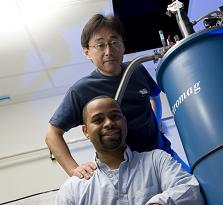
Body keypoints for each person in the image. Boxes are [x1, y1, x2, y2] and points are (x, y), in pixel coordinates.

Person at [45, 13, 189, 180]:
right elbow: (52, 134)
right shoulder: (81, 90)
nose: (108, 51)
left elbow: (155, 97)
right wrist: (73, 169)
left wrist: (156, 123)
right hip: (124, 170)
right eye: (100, 45)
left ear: (123, 46)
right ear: (87, 52)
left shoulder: (137, 70)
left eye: (114, 42)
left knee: (196, 190)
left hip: (162, 153)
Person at [55, 96, 204, 205]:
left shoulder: (156, 160)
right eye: (98, 120)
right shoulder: (74, 188)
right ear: (86, 131)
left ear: (124, 122)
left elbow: (190, 190)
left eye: (115, 116)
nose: (109, 123)